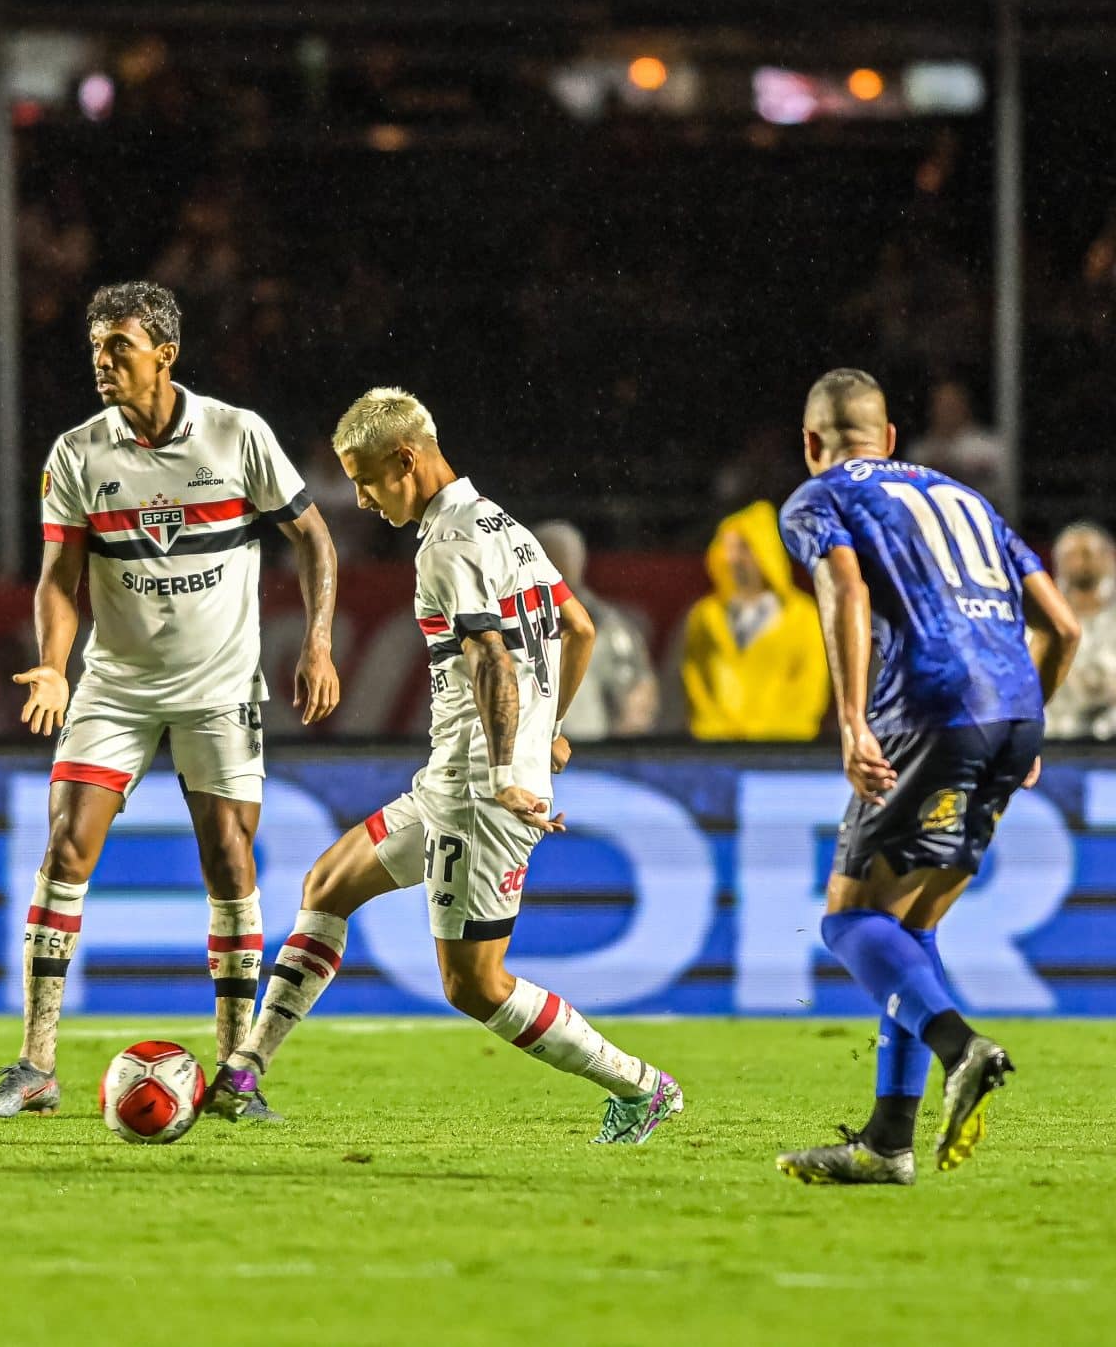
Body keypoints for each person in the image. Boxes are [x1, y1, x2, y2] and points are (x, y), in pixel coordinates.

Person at [205, 388, 683, 1146]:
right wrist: (549, 729)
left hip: (480, 793)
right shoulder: (502, 524)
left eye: (364, 479)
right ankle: (244, 1070)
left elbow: (491, 654)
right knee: (327, 883)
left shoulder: (448, 545)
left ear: (406, 459)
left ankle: (642, 1086)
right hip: (456, 778)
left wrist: (505, 772)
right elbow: (578, 625)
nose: (360, 498)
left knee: (475, 984)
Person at [0, 281, 339, 1122]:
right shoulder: (76, 454)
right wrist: (54, 666)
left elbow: (312, 536)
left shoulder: (237, 436)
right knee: (66, 845)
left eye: (119, 347)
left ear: (165, 354)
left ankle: (237, 1071)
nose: (102, 362)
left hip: (218, 688)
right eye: (96, 347)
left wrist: (317, 643)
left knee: (231, 863)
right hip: (117, 685)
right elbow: (59, 576)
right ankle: (35, 1064)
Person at [773, 368, 1078, 1186]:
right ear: (893, 439)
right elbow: (1063, 622)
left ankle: (961, 1048)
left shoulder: (820, 496)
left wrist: (850, 719)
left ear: (811, 443)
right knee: (912, 930)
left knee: (847, 922)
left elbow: (842, 587)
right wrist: (1024, 718)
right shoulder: (969, 499)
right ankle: (887, 1143)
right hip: (1011, 712)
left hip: (929, 709)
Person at [680, 500, 829, 740]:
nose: (731, 558)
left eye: (742, 547)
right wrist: (710, 726)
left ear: (764, 551)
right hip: (715, 745)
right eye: (726, 547)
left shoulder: (803, 615)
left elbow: (810, 686)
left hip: (782, 747)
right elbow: (695, 680)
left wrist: (780, 729)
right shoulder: (705, 615)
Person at [534, 520, 658, 740]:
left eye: (568, 557)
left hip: (591, 749)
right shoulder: (510, 619)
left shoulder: (607, 625)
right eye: (551, 556)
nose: (562, 564)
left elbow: (637, 695)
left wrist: (617, 751)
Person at [1044, 522, 1116, 740]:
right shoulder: (1040, 620)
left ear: (1109, 558)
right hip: (1056, 741)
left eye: (1088, 553)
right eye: (1070, 555)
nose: (1081, 562)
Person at [905, 378, 1015, 518]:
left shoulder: (988, 447)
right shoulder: (920, 450)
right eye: (941, 406)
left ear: (965, 406)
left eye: (951, 405)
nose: (946, 412)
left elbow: (1002, 490)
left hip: (980, 519)